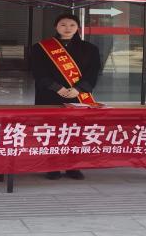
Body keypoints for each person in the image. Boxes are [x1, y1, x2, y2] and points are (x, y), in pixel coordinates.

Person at [30, 13, 100, 181]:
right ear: (56, 27)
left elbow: (93, 72)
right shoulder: (41, 48)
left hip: (78, 96)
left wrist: (79, 89)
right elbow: (38, 72)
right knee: (51, 131)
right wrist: (57, 87)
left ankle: (73, 167)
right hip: (49, 95)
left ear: (78, 28)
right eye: (63, 25)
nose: (67, 28)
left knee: (75, 131)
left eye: (72, 25)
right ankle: (52, 166)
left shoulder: (90, 48)